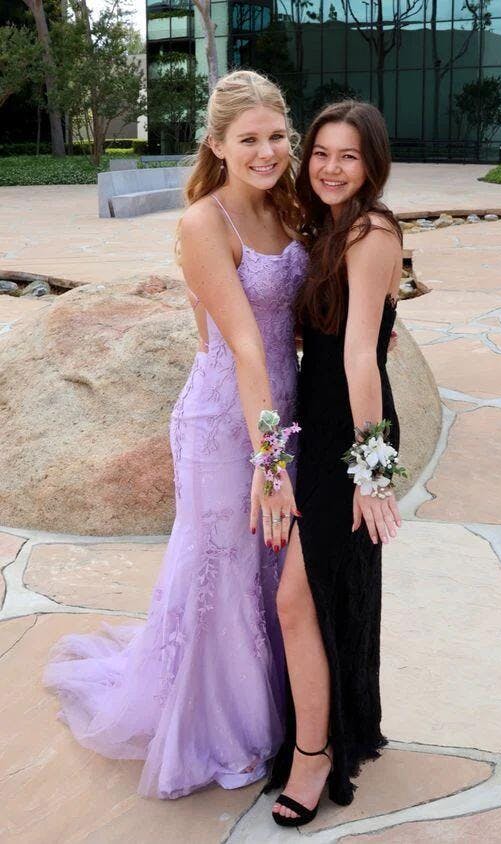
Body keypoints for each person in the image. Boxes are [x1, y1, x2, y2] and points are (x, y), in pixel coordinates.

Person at [43, 70, 308, 800]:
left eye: (276, 136)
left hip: (280, 411)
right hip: (225, 424)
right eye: (248, 139)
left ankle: (277, 710)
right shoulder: (203, 223)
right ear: (216, 145)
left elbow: (294, 323)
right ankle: (214, 729)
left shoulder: (286, 207)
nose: (265, 152)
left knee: (270, 570)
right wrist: (269, 463)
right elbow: (246, 347)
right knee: (221, 572)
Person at [265, 101, 405, 826]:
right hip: (317, 431)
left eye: (348, 155)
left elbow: (359, 359)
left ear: (371, 163)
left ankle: (313, 756)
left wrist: (372, 473)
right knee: (320, 597)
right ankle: (330, 730)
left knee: (298, 600)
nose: (330, 167)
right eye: (320, 152)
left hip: (349, 439)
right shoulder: (329, 227)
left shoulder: (371, 231)